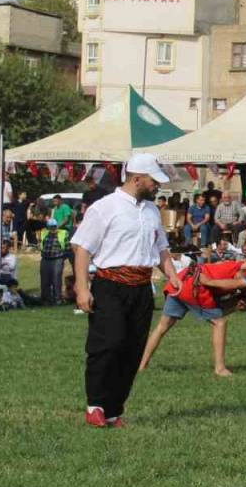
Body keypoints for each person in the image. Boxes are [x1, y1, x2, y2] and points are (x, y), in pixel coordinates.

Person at [70, 153, 181, 428]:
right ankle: (95, 404)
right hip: (110, 285)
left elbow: (160, 248)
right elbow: (82, 247)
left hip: (142, 288)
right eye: (154, 181)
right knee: (109, 344)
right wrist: (82, 288)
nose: (158, 186)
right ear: (137, 178)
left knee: (132, 349)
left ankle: (113, 410)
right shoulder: (105, 208)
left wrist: (172, 274)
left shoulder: (152, 211)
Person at [139, 256, 246, 376]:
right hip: (195, 286)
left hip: (181, 280)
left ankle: (141, 365)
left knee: (162, 326)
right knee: (220, 322)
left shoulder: (242, 265)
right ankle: (219, 368)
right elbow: (230, 283)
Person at [38, 218, 69, 306]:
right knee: (44, 281)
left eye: (54, 227)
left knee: (56, 280)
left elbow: (67, 248)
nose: (52, 229)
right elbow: (41, 245)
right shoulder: (44, 233)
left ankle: (57, 300)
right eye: (50, 227)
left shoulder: (63, 233)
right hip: (45, 259)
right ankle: (45, 300)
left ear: (57, 226)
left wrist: (62, 258)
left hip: (57, 259)